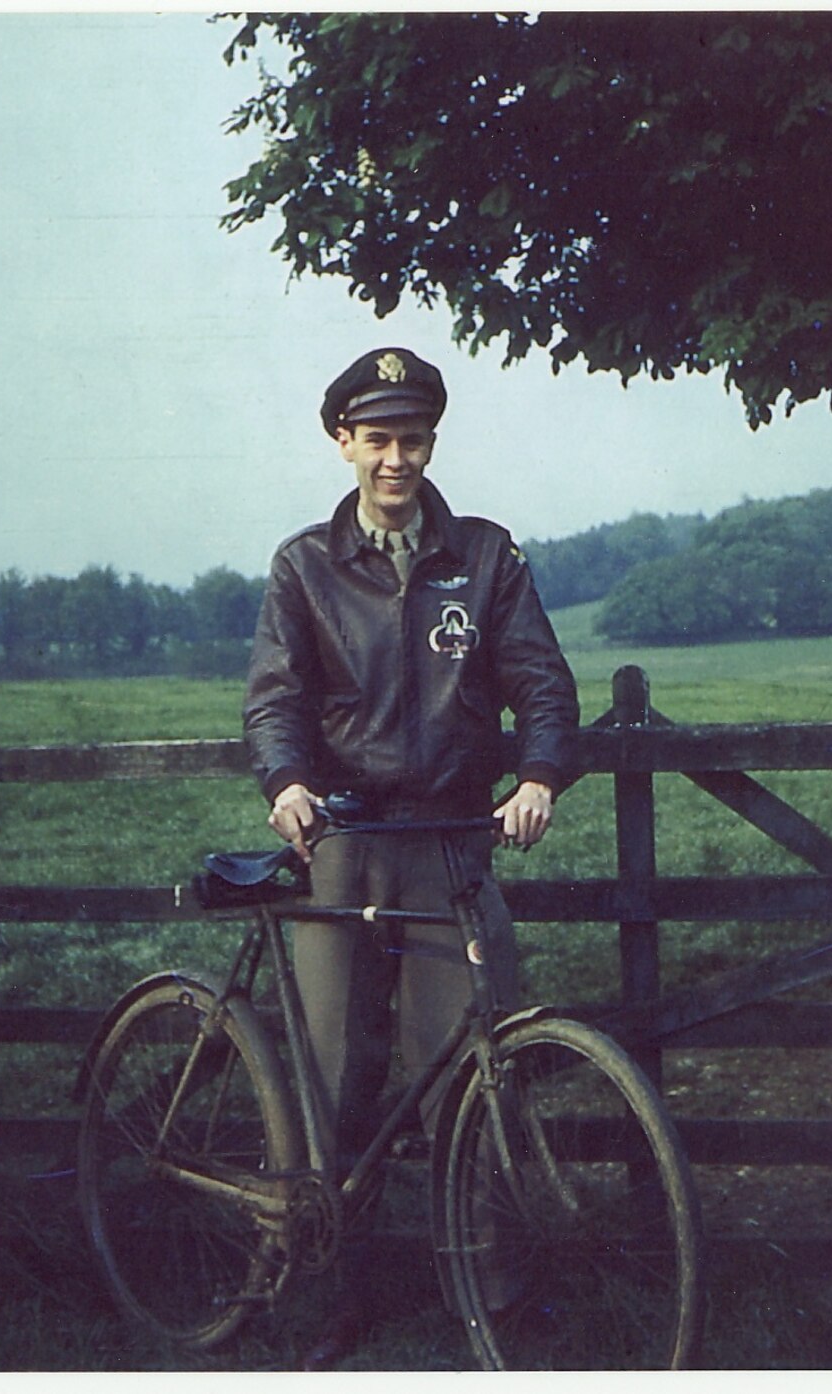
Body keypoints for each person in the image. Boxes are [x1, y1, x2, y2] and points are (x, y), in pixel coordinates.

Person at [242, 345, 579, 1368]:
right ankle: (330, 1297)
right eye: (377, 438)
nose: (396, 458)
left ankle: (490, 1296)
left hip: (447, 843)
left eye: (414, 437)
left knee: (467, 1073)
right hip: (342, 843)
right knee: (334, 1075)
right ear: (342, 442)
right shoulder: (302, 565)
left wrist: (537, 775)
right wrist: (285, 781)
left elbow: (543, 683)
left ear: (434, 440)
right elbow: (274, 698)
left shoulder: (484, 557)